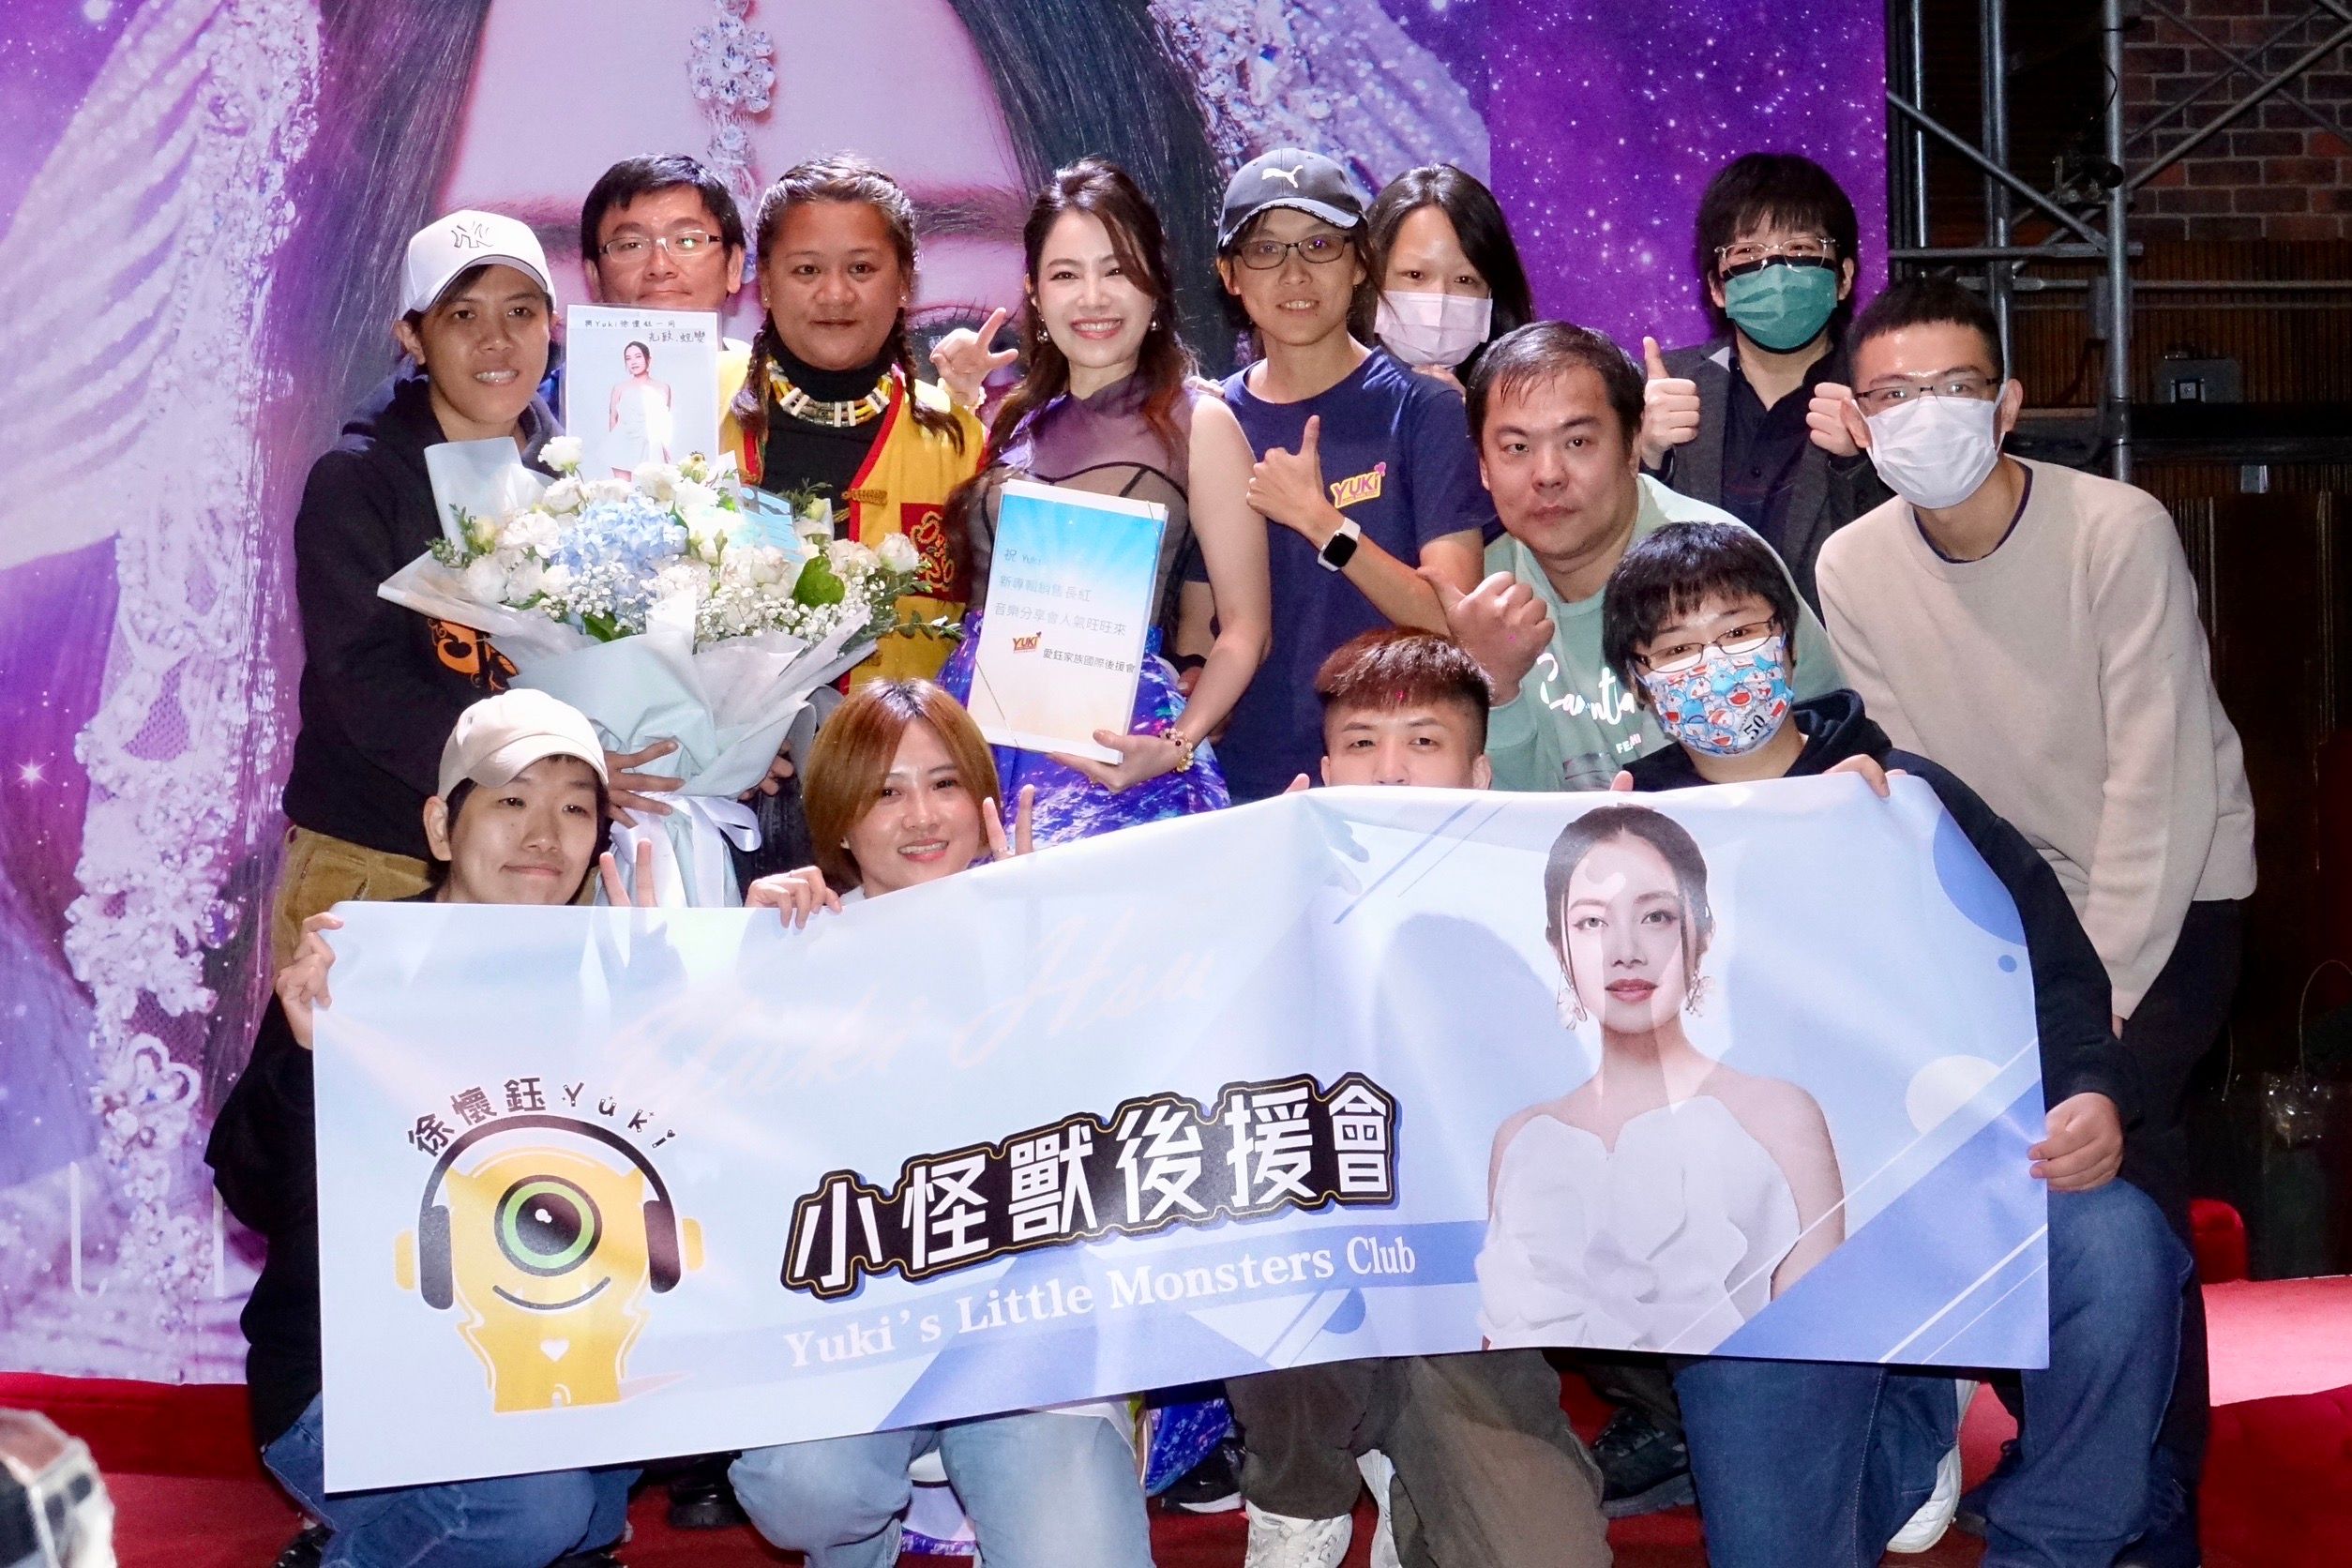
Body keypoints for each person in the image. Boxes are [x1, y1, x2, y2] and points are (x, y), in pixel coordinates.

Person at [1601, 518, 2189, 1568]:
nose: (1714, 666)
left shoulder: (1908, 797)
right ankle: (1914, 1413)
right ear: (1641, 685)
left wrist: (2092, 1092)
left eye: (1738, 632)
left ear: (1788, 646)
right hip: (1753, 1242)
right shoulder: (1615, 836)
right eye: (1677, 650)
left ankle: (2055, 1543)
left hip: (1952, 1184)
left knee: (2117, 1245)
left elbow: (2053, 965)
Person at [1813, 274, 2255, 1564]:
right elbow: (1925, 798)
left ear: (2006, 404)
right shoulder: (1853, 565)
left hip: (2173, 893)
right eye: (1893, 396)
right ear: (1859, 421)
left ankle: (2152, 1502)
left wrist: (2093, 1022)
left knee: (2125, 1177)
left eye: (1954, 388)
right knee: (2013, 1189)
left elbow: (2158, 785)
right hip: (2008, 920)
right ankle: (2068, 1457)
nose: (1926, 415)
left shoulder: (2116, 529)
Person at [210, 690, 650, 1568]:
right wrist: (310, 1060)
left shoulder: (619, 973)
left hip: (549, 1355)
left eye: (574, 810)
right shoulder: (360, 966)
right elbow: (251, 1191)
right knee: (537, 1510)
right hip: (352, 1377)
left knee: (593, 1514)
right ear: (442, 827)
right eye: (512, 801)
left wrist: (779, 943)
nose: (544, 836)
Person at [725, 680, 1154, 1568]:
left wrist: (1048, 962)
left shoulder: (1063, 926)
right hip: (859, 1329)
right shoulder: (795, 945)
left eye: (944, 783)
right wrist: (743, 963)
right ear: (840, 822)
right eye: (886, 791)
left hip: (1031, 1335)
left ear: (984, 798)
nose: (922, 816)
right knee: (808, 1490)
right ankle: (871, 1518)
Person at [1226, 628, 1612, 1568]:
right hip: (1315, 1311)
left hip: (1470, 1314)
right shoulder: (1242, 897)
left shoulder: (1553, 906)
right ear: (1323, 771)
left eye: (1424, 743)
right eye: (1362, 744)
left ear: (1480, 774)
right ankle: (1299, 1496)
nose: (1390, 769)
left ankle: (1413, 1489)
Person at [927, 158, 1270, 845]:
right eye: (1065, 275)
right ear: (1034, 292)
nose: (1092, 297)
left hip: (1119, 751)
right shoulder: (1017, 421)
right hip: (976, 737)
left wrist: (1177, 744)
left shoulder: (1200, 422)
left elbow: (1245, 629)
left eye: (1116, 270)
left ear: (1155, 284)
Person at [270, 211, 563, 974]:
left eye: (520, 312)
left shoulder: (579, 472)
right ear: (412, 336)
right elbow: (364, 681)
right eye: (463, 316)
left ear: (551, 325)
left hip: (545, 871)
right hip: (381, 862)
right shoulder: (358, 479)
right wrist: (535, 768)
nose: (496, 341)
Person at [1478, 800, 1844, 1353]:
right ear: (1559, 946)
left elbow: (1821, 1341)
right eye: (1592, 922)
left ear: (1703, 932)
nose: (1624, 952)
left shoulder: (1777, 1116)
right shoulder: (1523, 1140)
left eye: (1656, 917)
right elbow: (1501, 1349)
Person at [1184, 148, 1487, 804]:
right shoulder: (1210, 422)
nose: (1294, 273)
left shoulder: (1423, 410)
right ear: (1230, 275)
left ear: (1358, 263)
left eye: (1319, 245)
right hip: (1247, 790)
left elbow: (1454, 625)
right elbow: (1198, 624)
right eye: (1266, 250)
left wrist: (1323, 524)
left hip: (1394, 785)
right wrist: (1190, 687)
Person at [1438, 321, 1844, 797]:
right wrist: (1496, 687)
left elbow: (1830, 749)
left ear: (1633, 447)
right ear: (1483, 467)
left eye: (1577, 442)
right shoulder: (1481, 595)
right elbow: (1500, 815)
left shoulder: (1717, 568)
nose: (1547, 474)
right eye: (1516, 448)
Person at [727, 155, 988, 686]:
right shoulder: (698, 401)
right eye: (806, 270)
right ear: (766, 284)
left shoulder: (960, 445)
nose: (835, 294)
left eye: (862, 269)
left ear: (905, 282)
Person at [1634, 153, 1890, 611]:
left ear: (1844, 277)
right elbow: (1607, 555)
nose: (1776, 271)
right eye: (1748, 252)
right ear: (1717, 287)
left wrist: (1858, 466)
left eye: (1801, 249)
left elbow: (1915, 562)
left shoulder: (1887, 395)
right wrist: (1646, 458)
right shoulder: (1661, 392)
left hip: (1836, 653)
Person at [1358, 163, 1535, 388]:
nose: (1439, 301)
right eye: (1415, 275)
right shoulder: (1325, 391)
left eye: (1464, 280)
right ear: (1369, 274)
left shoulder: (1529, 395)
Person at [606, 340, 673, 476]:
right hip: (624, 444)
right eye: (628, 358)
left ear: (648, 359)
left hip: (652, 446)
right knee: (622, 488)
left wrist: (664, 447)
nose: (633, 362)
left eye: (638, 356)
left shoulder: (663, 388)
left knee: (653, 485)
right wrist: (615, 446)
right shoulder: (619, 388)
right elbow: (613, 419)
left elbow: (663, 421)